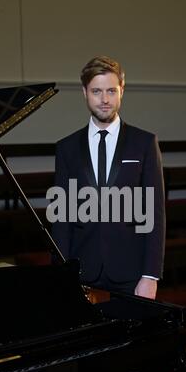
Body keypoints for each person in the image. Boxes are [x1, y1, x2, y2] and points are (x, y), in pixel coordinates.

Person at [51, 56, 165, 299]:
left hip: (132, 272)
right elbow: (62, 218)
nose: (104, 99)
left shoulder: (143, 143)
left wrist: (150, 276)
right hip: (81, 271)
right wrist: (60, 275)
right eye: (97, 91)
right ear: (84, 92)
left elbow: (154, 214)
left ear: (122, 91)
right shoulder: (66, 148)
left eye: (111, 91)